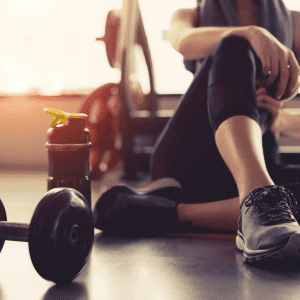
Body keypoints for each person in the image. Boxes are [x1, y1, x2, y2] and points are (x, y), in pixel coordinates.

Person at [93, 0, 300, 264]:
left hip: (260, 166)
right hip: (190, 161)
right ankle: (260, 200)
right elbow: (183, 41)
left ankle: (173, 213)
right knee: (235, 44)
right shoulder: (189, 15)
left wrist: (283, 121)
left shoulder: (294, 23)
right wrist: (249, 33)